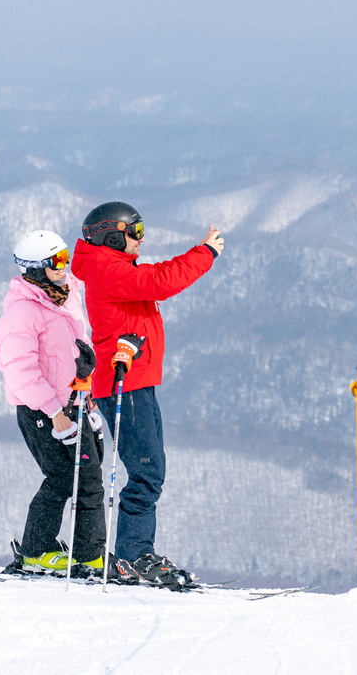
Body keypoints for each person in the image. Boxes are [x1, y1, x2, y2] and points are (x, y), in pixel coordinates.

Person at [70, 201, 224, 586]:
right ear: (111, 235)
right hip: (126, 383)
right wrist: (204, 253)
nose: (142, 238)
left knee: (149, 470)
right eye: (135, 232)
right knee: (147, 471)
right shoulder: (107, 270)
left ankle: (133, 553)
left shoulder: (110, 266)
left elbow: (153, 281)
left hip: (136, 380)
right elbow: (161, 282)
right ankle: (134, 555)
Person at [0, 229, 105, 577]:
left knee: (90, 480)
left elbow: (77, 351)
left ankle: (90, 557)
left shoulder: (66, 295)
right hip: (42, 412)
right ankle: (36, 551)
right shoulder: (21, 313)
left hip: (74, 402)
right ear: (36, 269)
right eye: (57, 261)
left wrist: (86, 397)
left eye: (65, 257)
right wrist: (55, 413)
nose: (65, 266)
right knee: (60, 478)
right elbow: (20, 372)